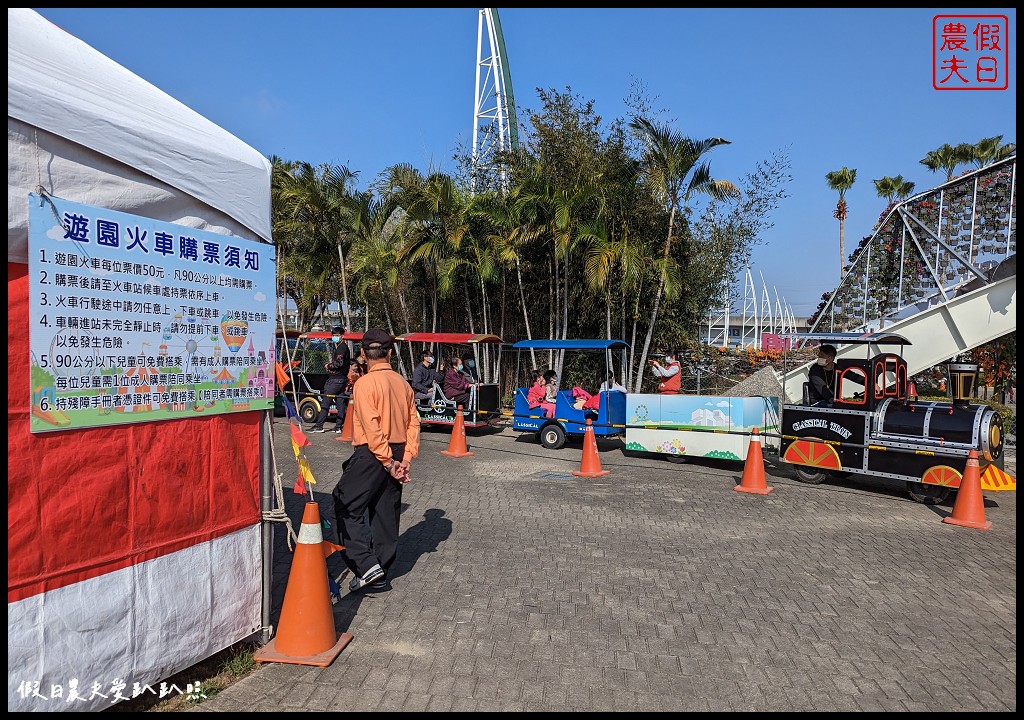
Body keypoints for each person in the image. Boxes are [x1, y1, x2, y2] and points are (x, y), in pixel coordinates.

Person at [332, 328, 420, 594]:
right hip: (396, 449)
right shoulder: (403, 384)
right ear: (390, 353)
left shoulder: (364, 384)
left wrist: (388, 462)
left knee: (345, 502)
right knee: (385, 514)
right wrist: (404, 458)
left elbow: (372, 427)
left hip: (373, 453)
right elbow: (413, 422)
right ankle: (379, 571)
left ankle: (366, 564)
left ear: (362, 354)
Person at [311, 326, 351, 433]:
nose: (334, 337)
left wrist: (328, 365)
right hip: (342, 379)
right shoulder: (343, 347)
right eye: (333, 335)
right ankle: (338, 426)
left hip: (335, 379)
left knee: (326, 402)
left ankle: (319, 425)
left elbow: (339, 363)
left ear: (342, 336)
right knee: (340, 402)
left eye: (336, 335)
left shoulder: (341, 348)